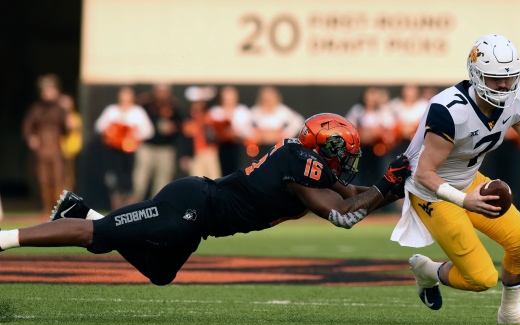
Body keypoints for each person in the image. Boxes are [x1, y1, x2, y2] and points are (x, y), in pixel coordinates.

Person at [0, 114, 409, 287]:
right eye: (341, 153)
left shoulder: (307, 163)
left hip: (201, 222)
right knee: (98, 235)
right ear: (321, 148)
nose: (346, 163)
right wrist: (385, 188)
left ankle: (80, 209)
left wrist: (392, 185)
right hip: (191, 206)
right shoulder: (298, 161)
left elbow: (355, 196)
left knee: (160, 274)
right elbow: (341, 214)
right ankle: (6, 238)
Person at [390, 34, 520, 325]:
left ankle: (510, 312)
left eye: (510, 78)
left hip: (470, 181)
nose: (504, 85)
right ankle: (427, 270)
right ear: (476, 75)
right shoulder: (450, 110)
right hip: (434, 193)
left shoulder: (515, 99)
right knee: (481, 278)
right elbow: (424, 173)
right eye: (495, 78)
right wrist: (465, 201)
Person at [95, 87, 154, 209]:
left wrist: (132, 133)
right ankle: (116, 203)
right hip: (114, 152)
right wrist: (114, 130)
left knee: (132, 179)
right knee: (114, 178)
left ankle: (130, 205)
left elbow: (149, 131)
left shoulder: (138, 112)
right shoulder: (111, 111)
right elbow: (99, 126)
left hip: (132, 153)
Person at [22, 74, 67, 215]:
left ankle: (57, 209)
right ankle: (46, 208)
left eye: (50, 90)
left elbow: (67, 129)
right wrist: (31, 138)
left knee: (57, 179)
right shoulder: (36, 109)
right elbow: (27, 127)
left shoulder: (61, 109)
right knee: (43, 179)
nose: (48, 93)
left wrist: (68, 116)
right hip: (41, 150)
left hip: (56, 149)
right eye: (45, 90)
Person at [133, 84, 184, 201]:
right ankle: (134, 206)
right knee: (140, 178)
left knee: (162, 180)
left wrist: (173, 128)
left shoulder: (174, 106)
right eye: (159, 91)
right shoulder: (145, 104)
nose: (161, 94)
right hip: (147, 147)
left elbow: (181, 126)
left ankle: (157, 207)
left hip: (166, 149)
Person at [346, 87, 397, 186]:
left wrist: (376, 133)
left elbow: (390, 128)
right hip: (361, 150)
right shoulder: (357, 111)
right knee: (361, 176)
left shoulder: (382, 112)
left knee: (378, 174)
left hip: (378, 151)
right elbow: (348, 127)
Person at [247, 86, 304, 157]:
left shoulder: (282, 110)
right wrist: (255, 134)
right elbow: (243, 125)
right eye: (266, 99)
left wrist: (284, 134)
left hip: (279, 147)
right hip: (261, 147)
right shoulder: (256, 111)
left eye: (271, 99)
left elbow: (298, 121)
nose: (269, 101)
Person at [208, 86, 251, 176]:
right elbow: (210, 132)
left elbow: (248, 131)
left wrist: (236, 133)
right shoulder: (215, 112)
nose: (229, 100)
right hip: (220, 148)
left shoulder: (242, 111)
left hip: (238, 147)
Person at [59, 94, 83, 192]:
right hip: (57, 150)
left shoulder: (74, 117)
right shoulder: (57, 116)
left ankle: (67, 195)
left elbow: (72, 127)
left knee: (68, 176)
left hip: (69, 151)